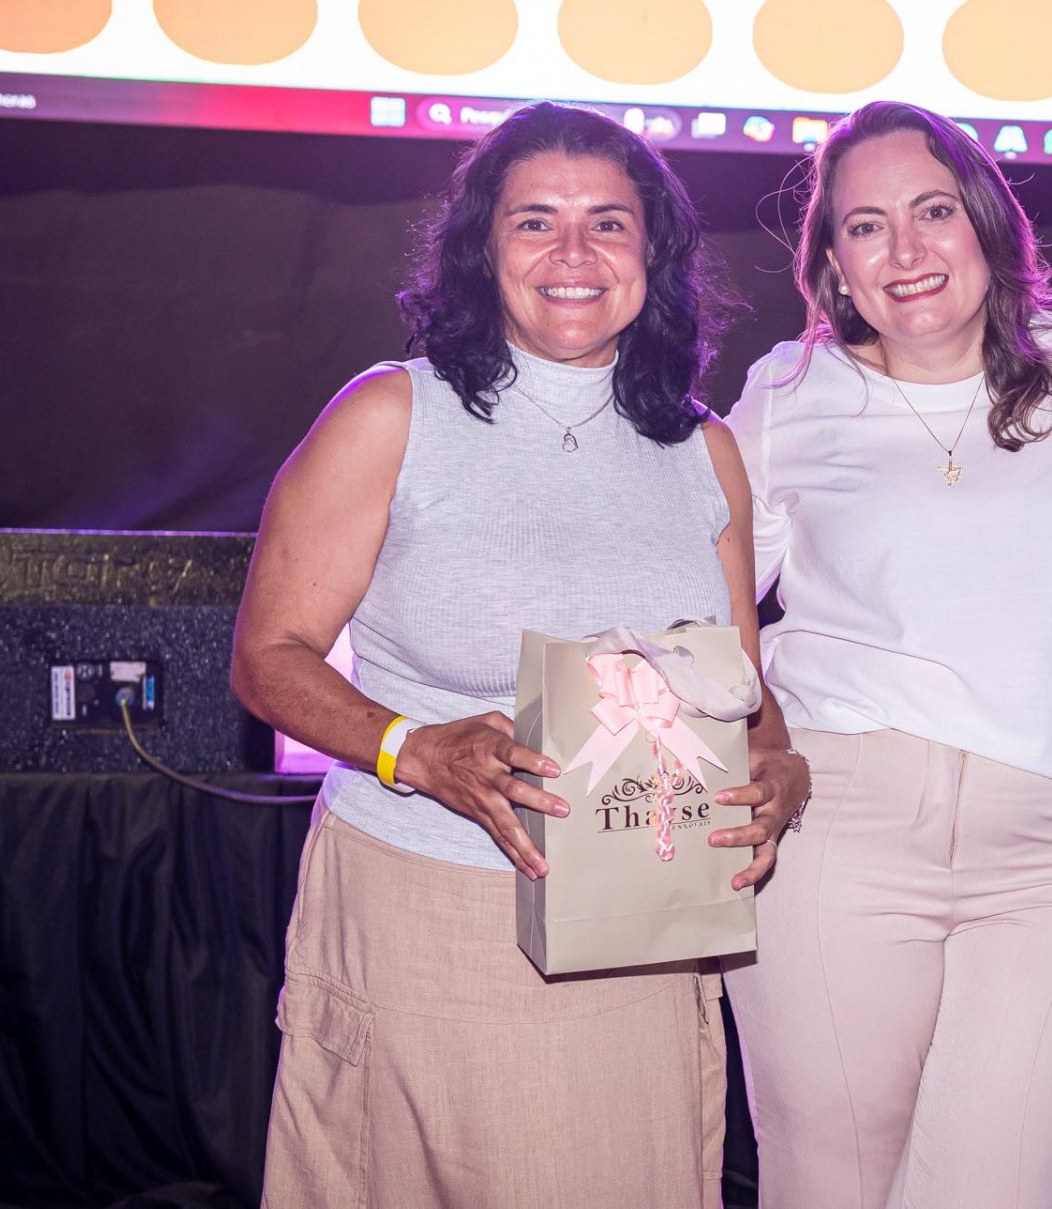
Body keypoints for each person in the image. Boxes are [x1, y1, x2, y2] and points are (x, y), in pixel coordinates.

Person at [230, 101, 807, 1209]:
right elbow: (268, 657)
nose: (573, 254)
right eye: (535, 221)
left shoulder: (705, 450)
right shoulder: (393, 415)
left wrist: (782, 770)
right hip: (429, 905)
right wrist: (411, 748)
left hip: (644, 915)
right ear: (482, 249)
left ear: (654, 253)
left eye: (609, 223)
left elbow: (741, 691)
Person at [721, 100, 1052, 1208]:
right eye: (866, 226)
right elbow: (707, 611)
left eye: (934, 211)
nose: (906, 249)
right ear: (833, 262)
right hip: (837, 826)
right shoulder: (790, 393)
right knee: (829, 1188)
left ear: (989, 224)